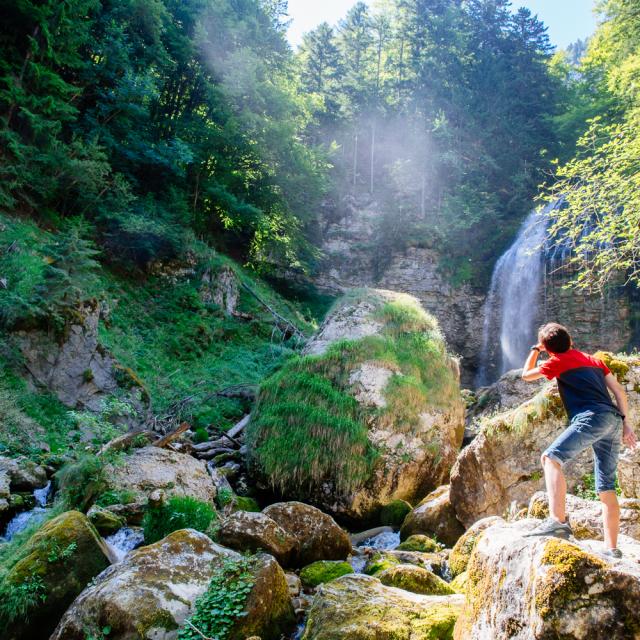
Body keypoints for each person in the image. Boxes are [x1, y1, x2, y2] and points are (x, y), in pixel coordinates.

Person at [521, 322, 637, 558]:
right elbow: (619, 391)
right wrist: (626, 424)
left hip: (591, 417)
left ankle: (557, 521)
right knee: (606, 486)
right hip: (613, 420)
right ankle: (612, 549)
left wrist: (535, 350)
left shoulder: (557, 361)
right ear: (570, 340)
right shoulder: (594, 360)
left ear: (548, 348)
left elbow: (526, 375)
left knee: (551, 458)